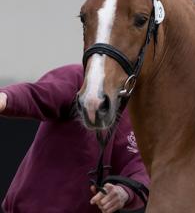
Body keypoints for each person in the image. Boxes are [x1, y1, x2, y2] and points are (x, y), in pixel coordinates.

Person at [0, 64, 149, 213]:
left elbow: (142, 172)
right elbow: (38, 94)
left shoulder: (140, 114)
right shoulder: (80, 78)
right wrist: (6, 97)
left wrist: (124, 193)